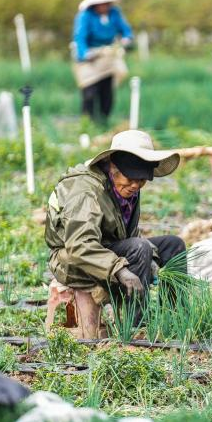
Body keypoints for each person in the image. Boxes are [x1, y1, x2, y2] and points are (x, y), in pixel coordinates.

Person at [45, 129, 184, 338]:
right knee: (140, 248)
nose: (136, 185)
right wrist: (120, 270)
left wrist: (152, 260)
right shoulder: (86, 190)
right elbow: (79, 246)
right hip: (72, 259)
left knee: (174, 245)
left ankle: (176, 320)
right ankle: (134, 327)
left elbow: (129, 238)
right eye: (131, 178)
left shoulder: (126, 189)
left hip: (108, 249)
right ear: (113, 166)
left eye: (142, 180)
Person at [72, 0, 133, 124]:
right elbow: (80, 37)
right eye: (101, 3)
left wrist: (126, 38)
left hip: (108, 55)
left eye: (107, 3)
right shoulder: (85, 16)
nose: (104, 6)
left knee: (107, 92)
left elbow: (125, 30)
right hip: (90, 57)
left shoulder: (115, 13)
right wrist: (85, 54)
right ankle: (87, 123)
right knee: (90, 92)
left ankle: (103, 121)